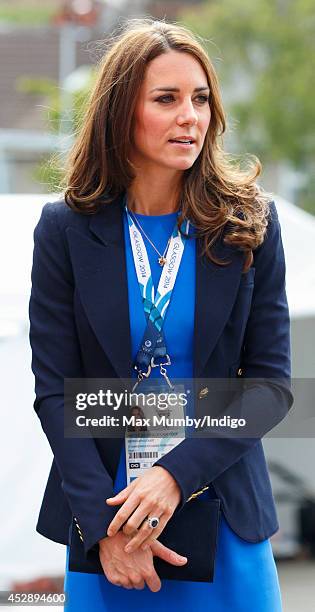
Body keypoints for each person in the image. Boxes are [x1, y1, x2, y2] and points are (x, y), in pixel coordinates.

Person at [29, 17, 293, 611]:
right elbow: (56, 394)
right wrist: (105, 532)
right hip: (110, 516)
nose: (189, 117)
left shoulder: (249, 227)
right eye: (166, 99)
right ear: (122, 111)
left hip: (218, 502)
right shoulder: (65, 232)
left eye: (200, 99)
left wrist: (175, 475)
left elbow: (271, 386)